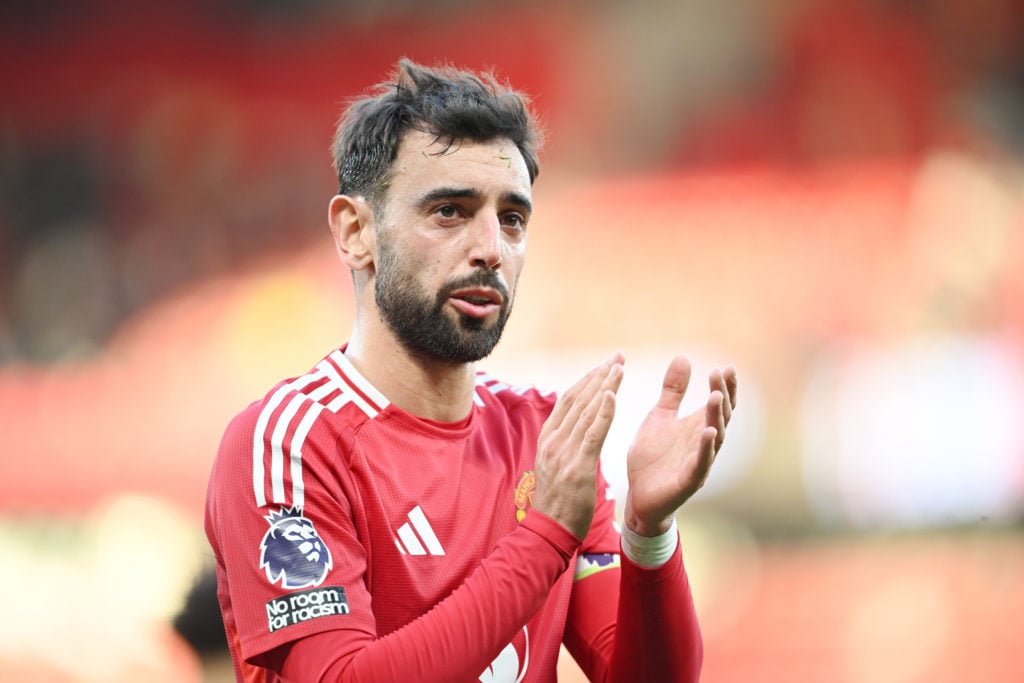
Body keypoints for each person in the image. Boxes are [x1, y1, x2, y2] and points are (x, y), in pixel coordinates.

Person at [205, 59, 738, 683]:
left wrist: (648, 531)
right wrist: (544, 537)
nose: (492, 249)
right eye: (450, 211)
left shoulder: (545, 440)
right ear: (356, 232)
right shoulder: (289, 442)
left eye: (512, 218)